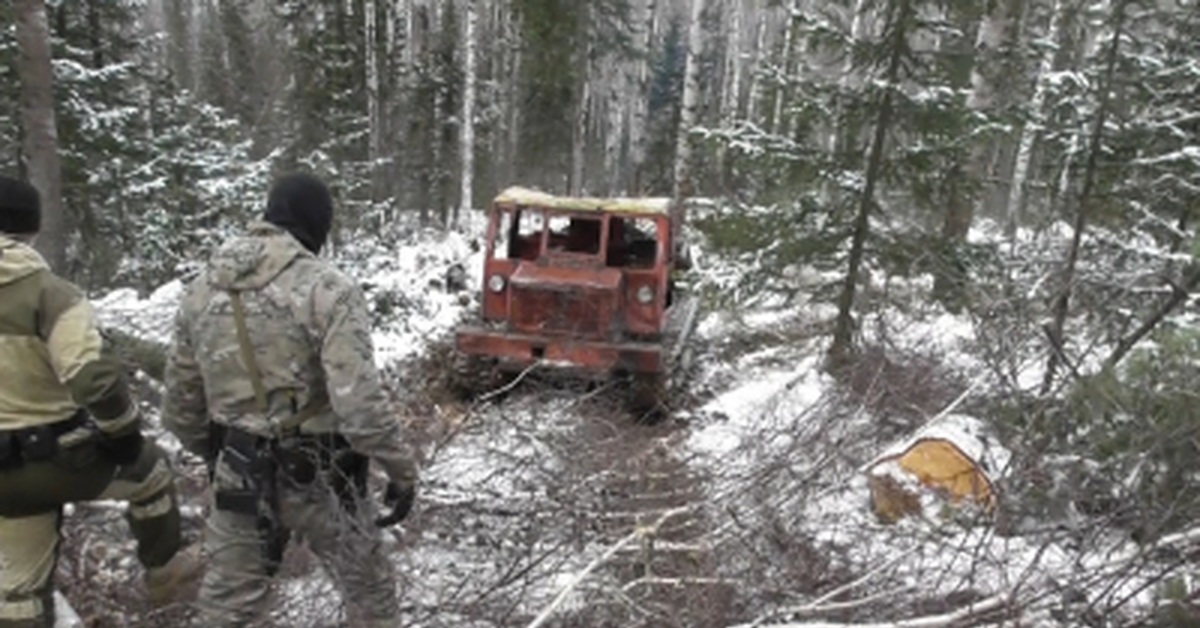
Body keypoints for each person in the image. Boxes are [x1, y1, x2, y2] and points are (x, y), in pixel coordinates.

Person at [162, 173, 419, 628]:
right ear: (319, 224)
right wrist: (400, 470)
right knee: (371, 600)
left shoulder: (200, 290)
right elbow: (358, 406)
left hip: (238, 474)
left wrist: (224, 454)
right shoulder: (329, 289)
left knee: (227, 611)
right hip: (324, 475)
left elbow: (180, 409)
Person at [0, 176, 198, 628]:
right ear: (31, 228)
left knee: (18, 595)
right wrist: (124, 434)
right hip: (46, 460)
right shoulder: (50, 296)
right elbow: (95, 382)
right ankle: (164, 574)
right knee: (152, 472)